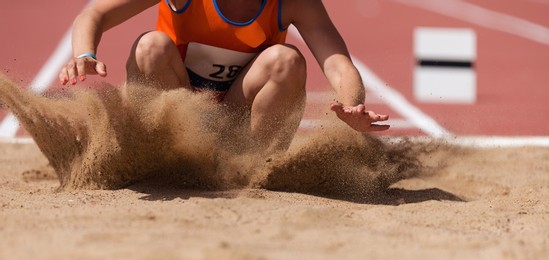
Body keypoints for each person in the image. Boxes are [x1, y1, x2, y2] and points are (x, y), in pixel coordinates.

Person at [59, 0, 390, 152]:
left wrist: (353, 105)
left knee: (287, 60)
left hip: (236, 122)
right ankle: (155, 156)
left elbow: (337, 63)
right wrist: (84, 53)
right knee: (150, 47)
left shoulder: (295, 3)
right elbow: (96, 12)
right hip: (177, 114)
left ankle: (255, 168)